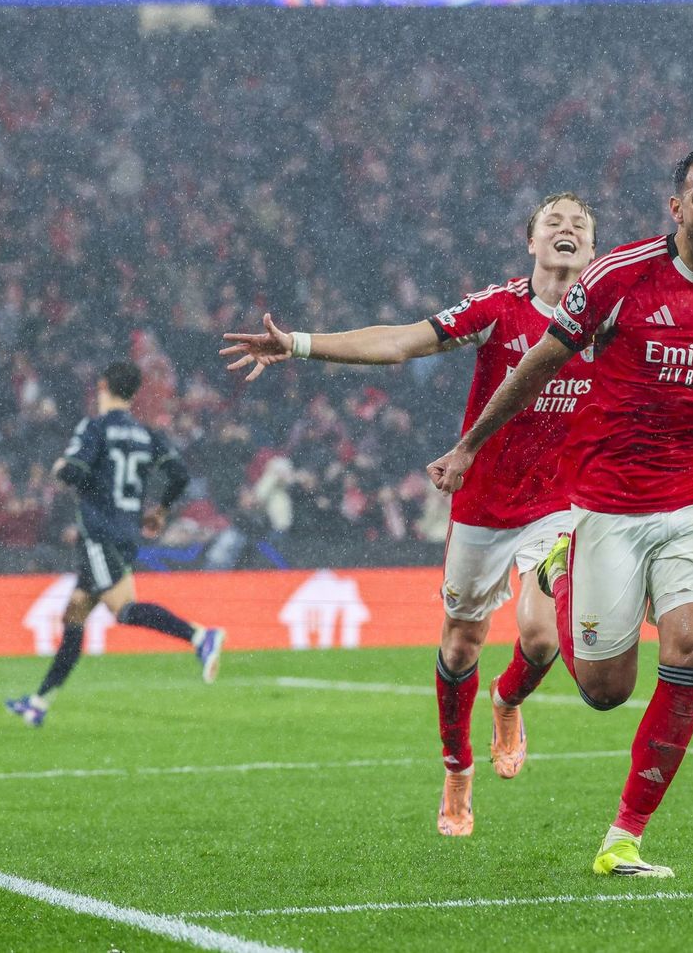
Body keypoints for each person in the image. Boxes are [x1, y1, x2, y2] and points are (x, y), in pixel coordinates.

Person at [429, 149, 693, 878]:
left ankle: (625, 836)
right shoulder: (618, 277)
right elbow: (539, 364)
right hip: (609, 502)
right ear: (676, 209)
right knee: (604, 690)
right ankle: (558, 570)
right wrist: (470, 445)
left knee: (692, 647)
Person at [221, 193, 598, 836]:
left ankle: (507, 701)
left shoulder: (606, 315)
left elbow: (683, 371)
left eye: (580, 226)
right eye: (553, 223)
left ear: (592, 249)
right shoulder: (496, 309)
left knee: (542, 637)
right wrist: (302, 344)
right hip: (482, 503)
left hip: (558, 503)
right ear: (530, 243)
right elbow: (398, 342)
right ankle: (457, 767)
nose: (567, 231)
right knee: (460, 645)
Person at [5, 361, 223, 727]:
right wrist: (162, 509)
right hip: (125, 531)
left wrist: (59, 467)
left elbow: (75, 471)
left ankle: (200, 636)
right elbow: (180, 475)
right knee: (75, 612)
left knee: (123, 609)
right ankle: (39, 703)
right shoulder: (146, 433)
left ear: (102, 385)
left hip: (99, 533)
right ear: (134, 393)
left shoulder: (96, 427)